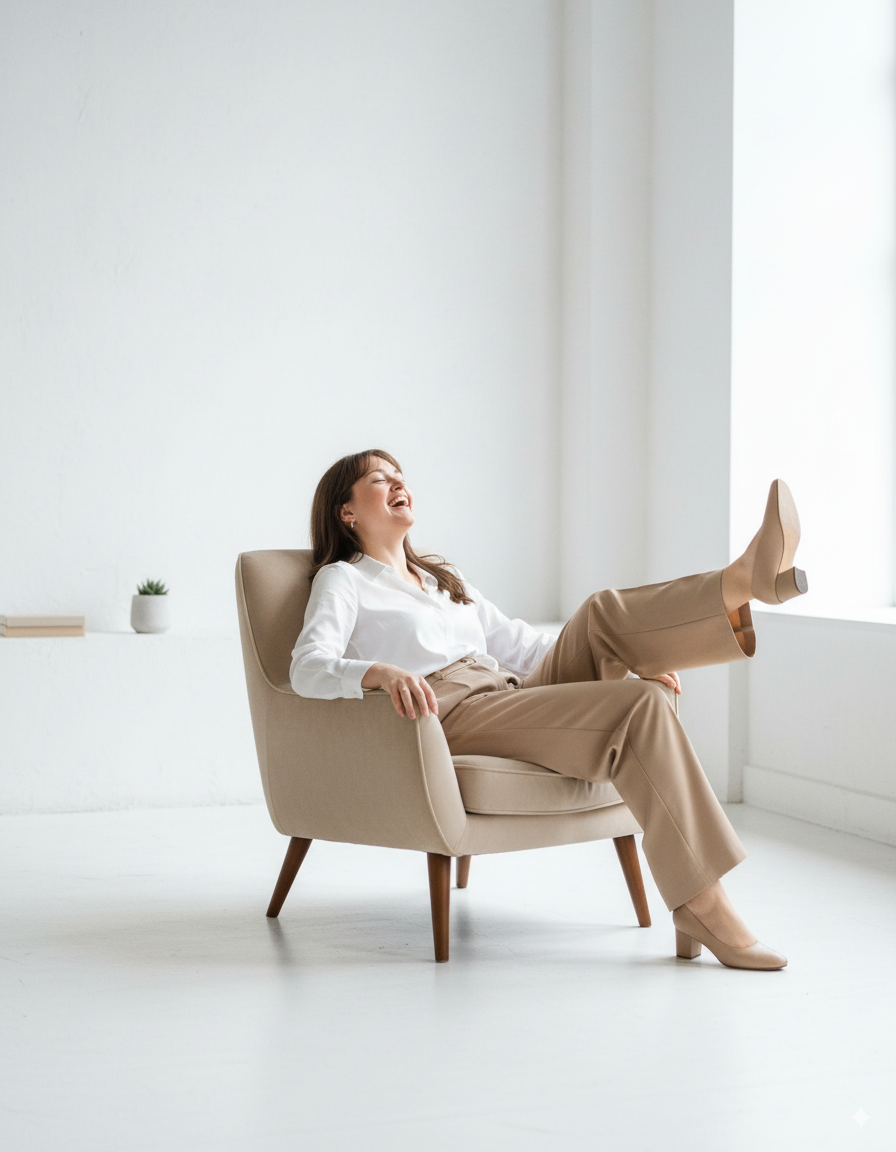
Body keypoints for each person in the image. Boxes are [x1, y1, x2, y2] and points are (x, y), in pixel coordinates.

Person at [290, 449, 808, 970]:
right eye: (380, 480)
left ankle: (742, 580)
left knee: (603, 618)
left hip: (509, 690)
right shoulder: (343, 580)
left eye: (400, 475)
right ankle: (705, 906)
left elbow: (523, 645)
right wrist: (378, 672)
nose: (398, 483)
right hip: (449, 712)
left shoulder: (443, 577)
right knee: (642, 704)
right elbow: (306, 667)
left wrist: (624, 667)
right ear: (347, 512)